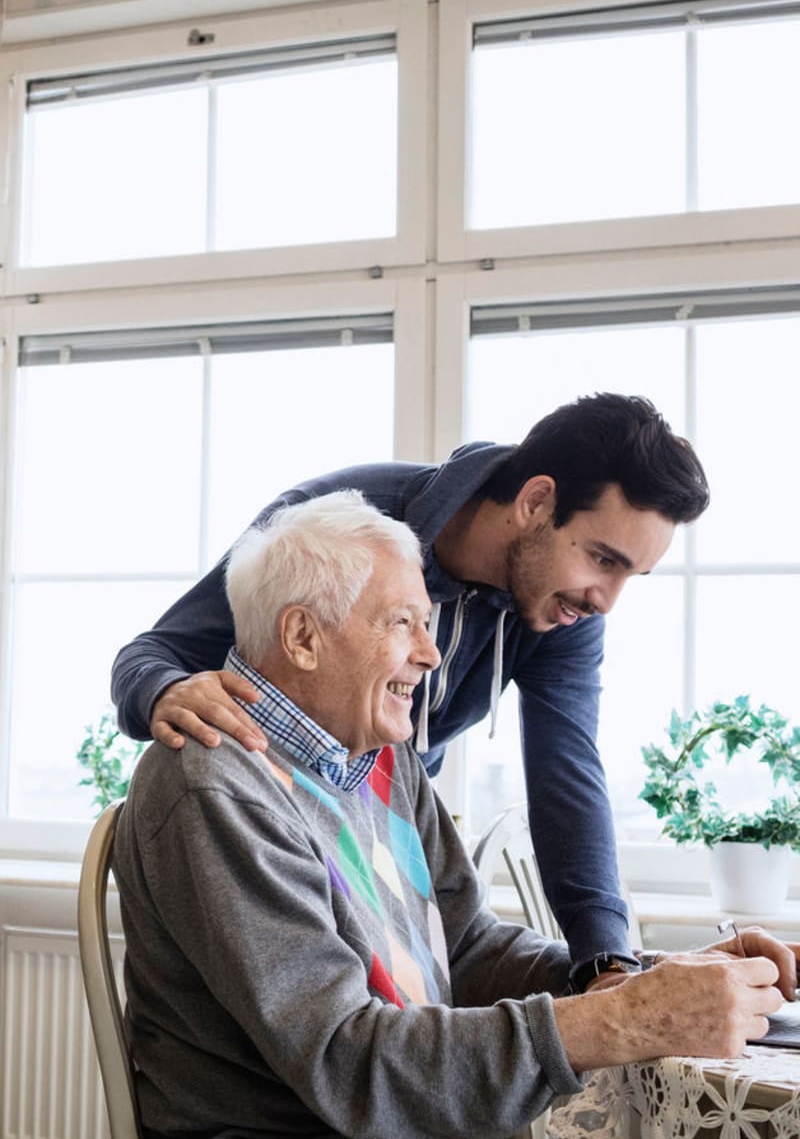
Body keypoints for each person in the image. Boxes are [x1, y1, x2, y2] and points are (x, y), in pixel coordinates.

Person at [113, 492, 796, 1139]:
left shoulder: (375, 761)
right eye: (404, 622)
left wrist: (635, 975)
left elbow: (469, 945)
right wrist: (610, 1021)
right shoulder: (214, 784)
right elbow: (351, 1062)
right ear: (301, 635)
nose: (435, 652)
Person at [112, 391, 710, 979]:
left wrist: (607, 964)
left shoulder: (562, 607)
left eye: (633, 574)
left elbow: (567, 773)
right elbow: (154, 652)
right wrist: (163, 690)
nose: (607, 601)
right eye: (604, 560)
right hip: (278, 829)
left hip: (391, 827)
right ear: (536, 501)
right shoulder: (340, 528)